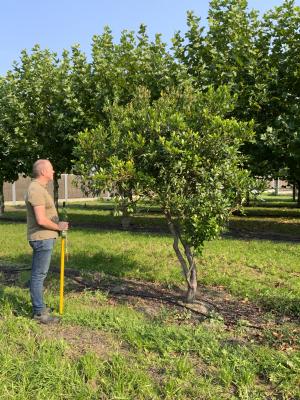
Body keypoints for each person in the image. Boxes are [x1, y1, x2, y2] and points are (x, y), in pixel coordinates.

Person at [25, 159, 69, 324]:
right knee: (38, 275)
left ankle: (40, 307)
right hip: (42, 238)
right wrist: (58, 227)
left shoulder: (39, 188)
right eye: (51, 169)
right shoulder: (35, 189)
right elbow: (41, 220)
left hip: (45, 238)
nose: (53, 172)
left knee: (40, 274)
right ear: (43, 171)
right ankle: (39, 312)